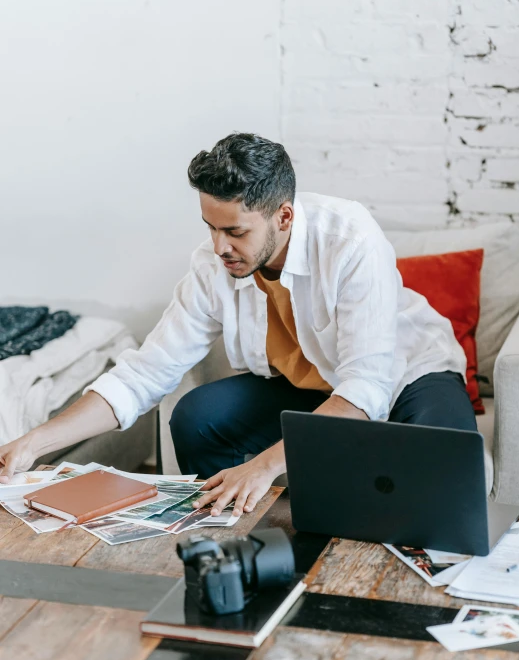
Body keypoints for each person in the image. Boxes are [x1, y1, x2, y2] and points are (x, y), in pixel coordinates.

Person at [0, 133, 476, 518]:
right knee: (198, 416)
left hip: (407, 375)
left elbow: (365, 389)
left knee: (446, 472)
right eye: (210, 226)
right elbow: (142, 376)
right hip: (310, 387)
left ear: (284, 216)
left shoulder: (350, 237)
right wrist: (33, 442)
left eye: (235, 231)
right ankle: (237, 528)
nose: (219, 245)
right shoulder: (213, 266)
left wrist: (263, 466)